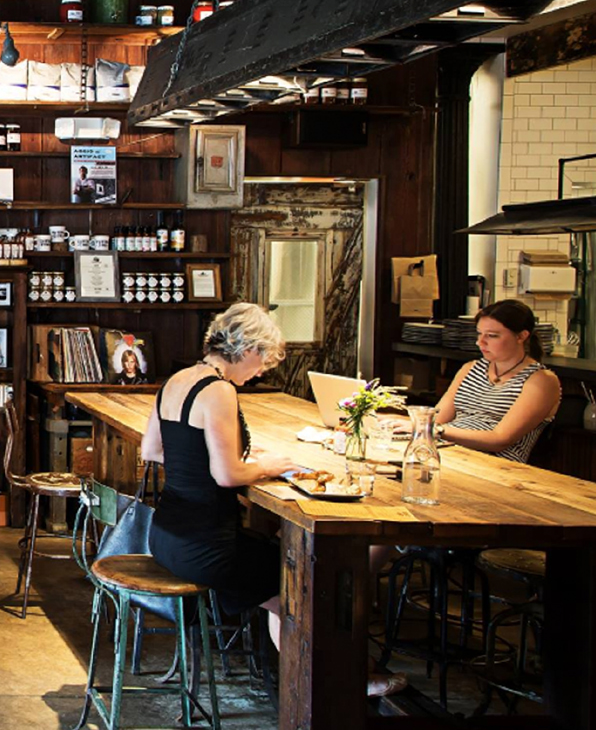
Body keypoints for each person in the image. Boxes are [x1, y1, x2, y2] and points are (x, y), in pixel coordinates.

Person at [139, 303, 405, 697]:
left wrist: (214, 454)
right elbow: (226, 475)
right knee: (308, 584)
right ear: (247, 348)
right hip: (208, 548)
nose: (261, 370)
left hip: (167, 536)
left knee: (281, 573)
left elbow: (153, 449)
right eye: (262, 360)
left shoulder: (177, 380)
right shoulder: (219, 390)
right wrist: (269, 466)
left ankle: (306, 681)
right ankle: (335, 687)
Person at [432, 299, 560, 463]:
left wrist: (437, 430)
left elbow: (500, 439)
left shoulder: (541, 380)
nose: (480, 342)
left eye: (492, 336)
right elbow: (437, 418)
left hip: (496, 465)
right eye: (479, 333)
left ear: (521, 336)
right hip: (450, 452)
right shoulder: (471, 368)